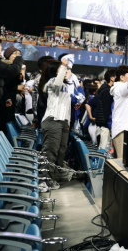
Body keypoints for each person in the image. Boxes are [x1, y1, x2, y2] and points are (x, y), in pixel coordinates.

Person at [39, 59, 74, 189]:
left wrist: (68, 122)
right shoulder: (52, 81)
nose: (66, 71)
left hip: (63, 122)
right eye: (62, 69)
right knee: (50, 151)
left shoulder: (68, 85)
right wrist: (64, 65)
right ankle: (43, 180)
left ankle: (52, 178)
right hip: (53, 120)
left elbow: (68, 106)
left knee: (60, 152)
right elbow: (58, 82)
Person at [94, 69, 118, 150]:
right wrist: (109, 124)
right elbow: (106, 109)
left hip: (103, 124)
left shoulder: (105, 89)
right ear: (112, 78)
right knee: (103, 150)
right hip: (105, 125)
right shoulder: (107, 91)